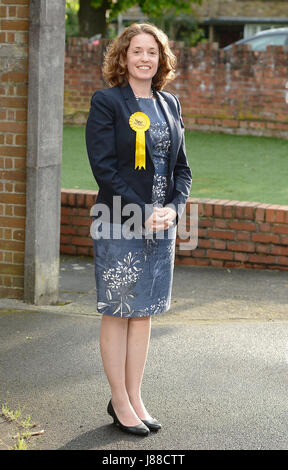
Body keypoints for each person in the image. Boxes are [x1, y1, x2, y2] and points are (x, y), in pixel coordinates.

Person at [85, 22, 192, 437]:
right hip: (118, 220)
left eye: (152, 51)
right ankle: (119, 399)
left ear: (161, 59)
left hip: (161, 225)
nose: (145, 58)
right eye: (137, 51)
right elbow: (105, 169)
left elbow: (182, 169)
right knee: (117, 312)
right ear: (123, 58)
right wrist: (143, 209)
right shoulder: (107, 102)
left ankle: (134, 396)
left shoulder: (170, 104)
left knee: (143, 312)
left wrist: (174, 210)